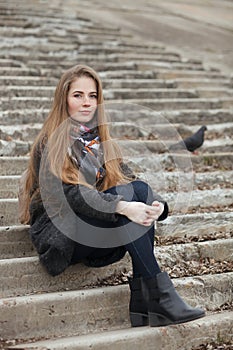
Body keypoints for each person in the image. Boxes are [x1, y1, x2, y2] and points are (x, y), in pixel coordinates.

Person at [20, 64, 205, 328]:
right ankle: (155, 297)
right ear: (64, 100)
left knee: (138, 190)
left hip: (94, 227)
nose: (87, 103)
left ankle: (144, 302)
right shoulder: (50, 142)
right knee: (126, 201)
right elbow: (73, 195)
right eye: (78, 95)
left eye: (92, 96)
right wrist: (123, 207)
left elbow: (129, 180)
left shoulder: (99, 142)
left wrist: (157, 205)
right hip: (64, 231)